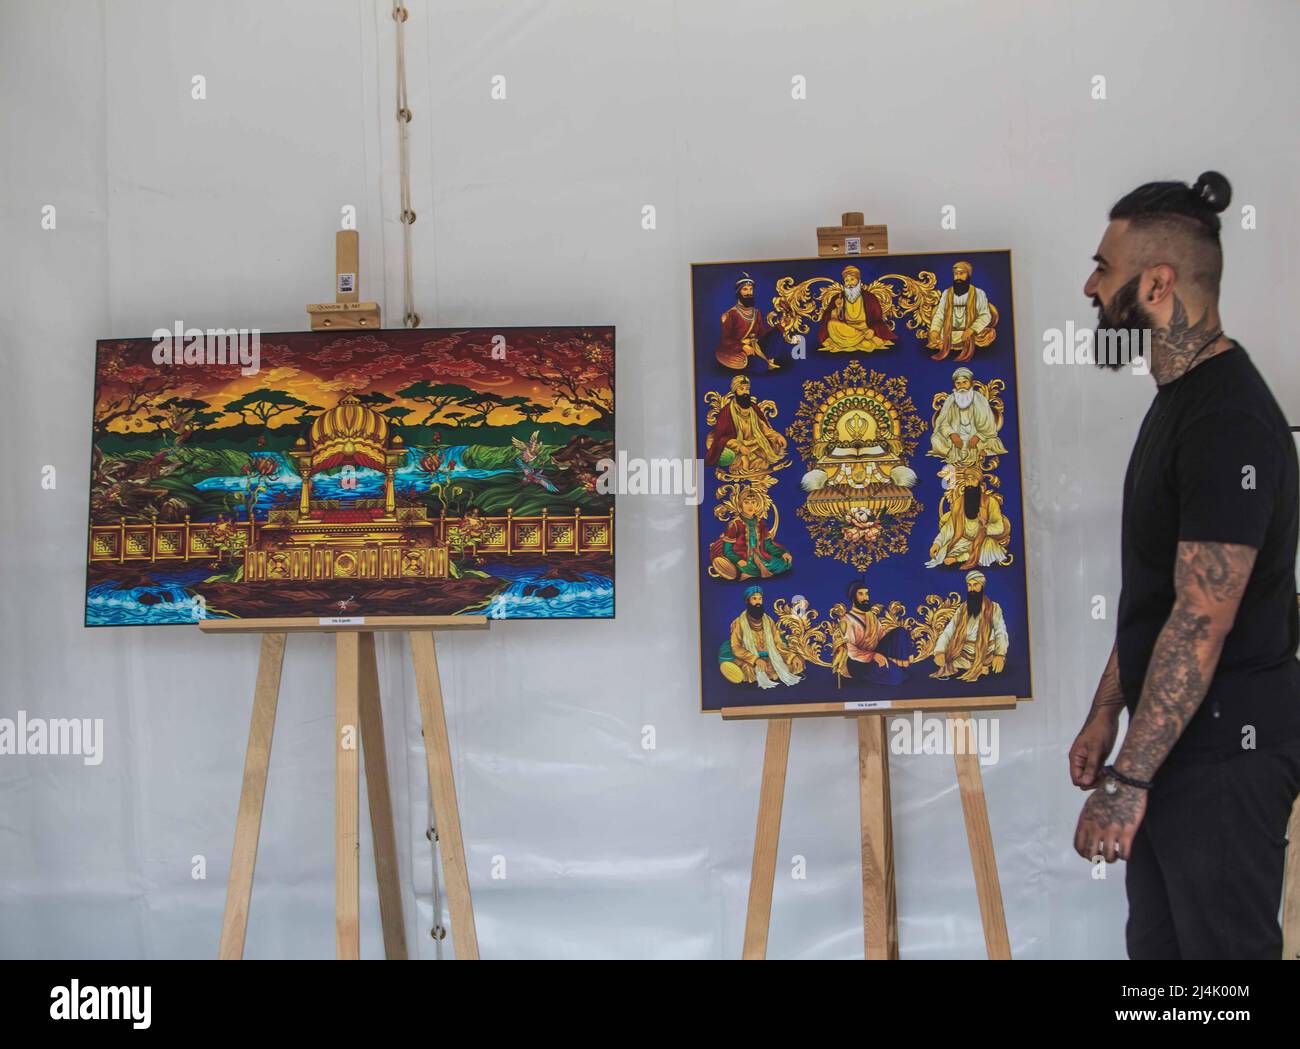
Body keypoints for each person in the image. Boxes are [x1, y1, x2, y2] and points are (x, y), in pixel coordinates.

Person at [1069, 171, 1300, 959]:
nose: (1091, 285)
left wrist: (1126, 783)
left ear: (1157, 284)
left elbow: (1203, 620)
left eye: (1105, 267)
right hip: (1175, 749)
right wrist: (1109, 710)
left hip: (1226, 758)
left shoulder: (1229, 421)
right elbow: (1163, 595)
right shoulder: (1178, 402)